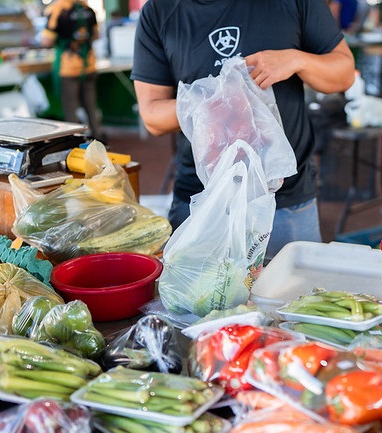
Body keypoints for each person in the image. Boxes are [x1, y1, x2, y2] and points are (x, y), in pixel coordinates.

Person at [131, 0, 355, 260]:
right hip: (202, 203)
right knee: (198, 300)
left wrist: (297, 60)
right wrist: (221, 99)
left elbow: (344, 73)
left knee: (294, 299)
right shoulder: (159, 12)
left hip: (285, 201)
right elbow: (152, 116)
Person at [40, 0, 103, 141]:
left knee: (70, 109)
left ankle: (74, 142)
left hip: (68, 67)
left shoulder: (57, 9)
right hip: (89, 64)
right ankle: (98, 139)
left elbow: (46, 41)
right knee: (91, 106)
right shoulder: (87, 9)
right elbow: (96, 35)